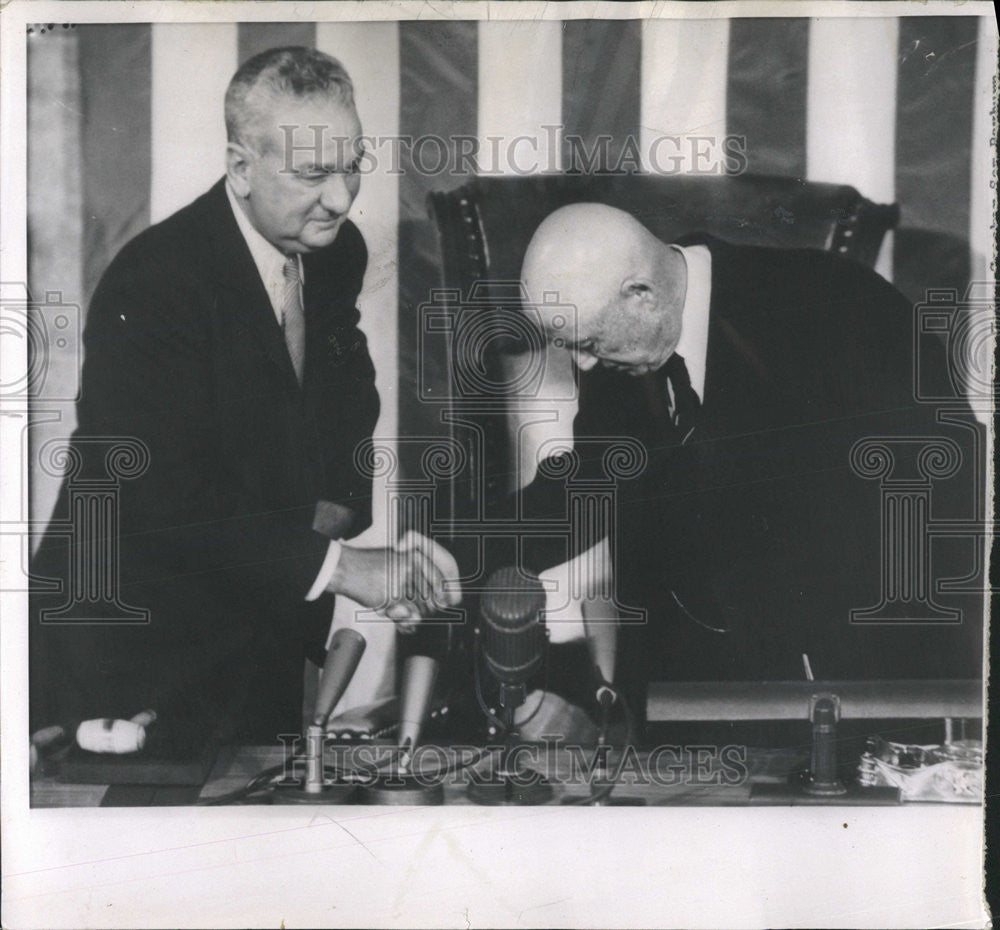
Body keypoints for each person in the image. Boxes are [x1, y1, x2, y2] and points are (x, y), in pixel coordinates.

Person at [30, 47, 451, 746]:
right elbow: (161, 501)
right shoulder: (153, 285)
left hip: (256, 632)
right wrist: (344, 569)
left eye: (353, 165)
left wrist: (334, 511)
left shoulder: (331, 251)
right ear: (240, 167)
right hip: (129, 653)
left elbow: (347, 393)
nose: (344, 198)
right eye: (314, 173)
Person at [514, 203, 982, 723]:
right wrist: (447, 556)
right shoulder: (624, 348)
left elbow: (950, 493)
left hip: (851, 697)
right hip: (684, 706)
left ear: (641, 295)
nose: (582, 364)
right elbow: (586, 490)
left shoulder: (838, 302)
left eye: (588, 343)